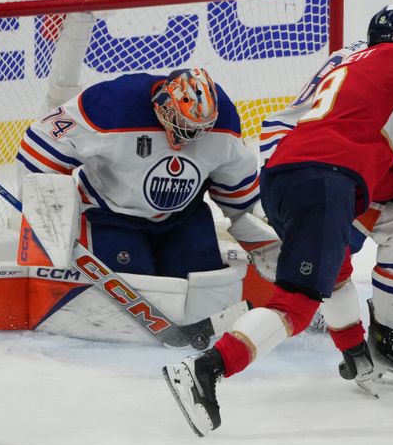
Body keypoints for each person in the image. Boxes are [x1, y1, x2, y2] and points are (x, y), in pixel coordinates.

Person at [163, 3, 393, 436]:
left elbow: (368, 156)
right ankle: (206, 368)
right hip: (325, 180)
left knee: (354, 256)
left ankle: (362, 350)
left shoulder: (349, 64)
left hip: (290, 174)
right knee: (298, 303)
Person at [15, 68, 279, 330]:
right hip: (112, 216)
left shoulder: (224, 125)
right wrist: (49, 216)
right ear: (163, 107)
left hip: (184, 218)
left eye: (200, 129)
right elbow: (38, 148)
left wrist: (263, 238)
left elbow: (238, 193)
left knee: (203, 289)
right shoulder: (111, 105)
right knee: (135, 296)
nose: (191, 137)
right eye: (183, 125)